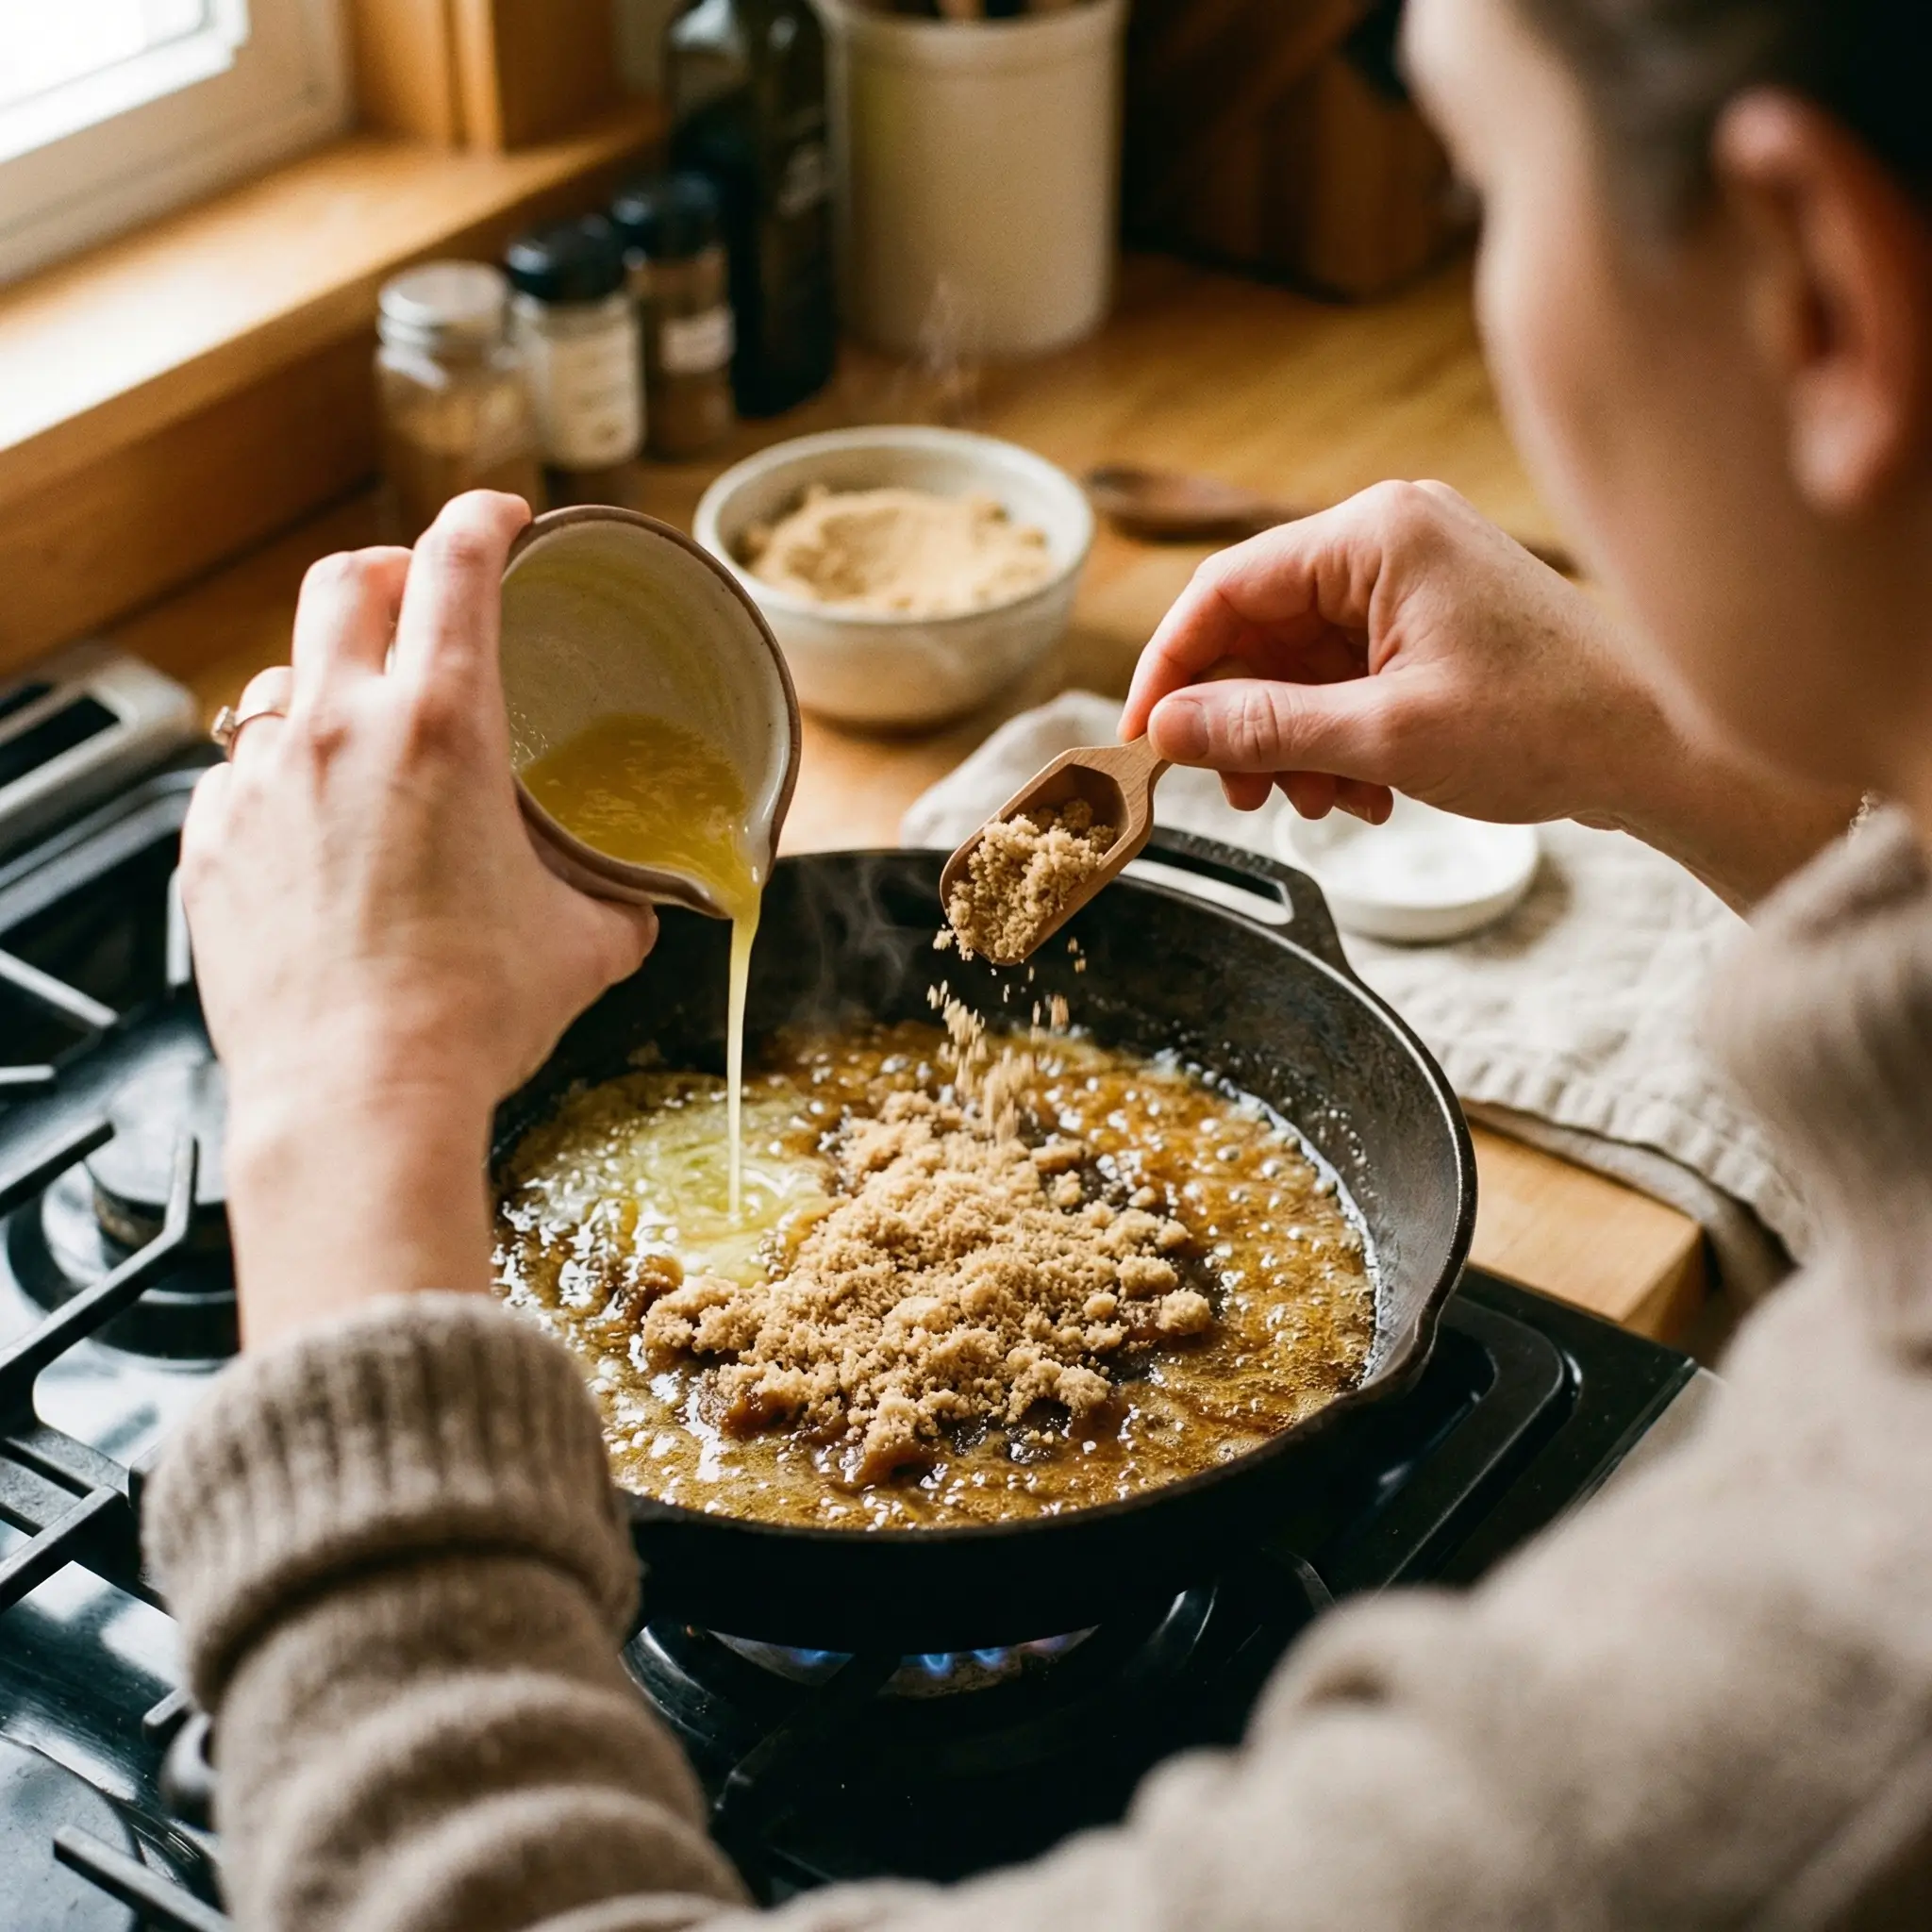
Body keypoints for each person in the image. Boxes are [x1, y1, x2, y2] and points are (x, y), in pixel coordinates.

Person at [151, 0, 1932, 1924]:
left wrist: (349, 1092)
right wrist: (1673, 744)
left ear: (1816, 297)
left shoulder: (1804, 1706)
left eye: (1487, 190)